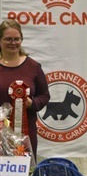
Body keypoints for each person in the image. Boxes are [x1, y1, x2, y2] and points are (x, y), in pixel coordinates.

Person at [0, 19, 50, 160]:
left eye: (17, 39)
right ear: (0, 41)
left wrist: (32, 104)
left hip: (25, 135)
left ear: (21, 40)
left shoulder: (33, 67)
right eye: (8, 39)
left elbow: (44, 95)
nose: (13, 42)